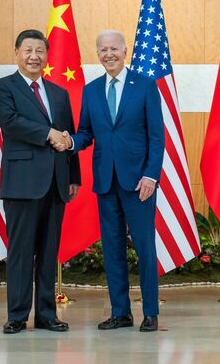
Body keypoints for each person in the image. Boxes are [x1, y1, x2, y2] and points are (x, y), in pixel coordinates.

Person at [53, 30, 164, 332]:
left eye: (114, 48)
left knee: (145, 248)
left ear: (125, 51)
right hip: (105, 182)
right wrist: (70, 142)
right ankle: (121, 313)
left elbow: (156, 136)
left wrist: (151, 175)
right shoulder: (91, 91)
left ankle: (150, 312)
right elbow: (86, 133)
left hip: (139, 183)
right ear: (98, 54)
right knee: (113, 249)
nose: (109, 54)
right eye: (103, 50)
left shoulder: (145, 86)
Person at [0, 29, 81, 334]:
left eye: (39, 51)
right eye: (28, 50)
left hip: (56, 183)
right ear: (17, 53)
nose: (34, 56)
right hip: (22, 183)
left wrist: (73, 176)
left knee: (48, 252)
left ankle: (46, 315)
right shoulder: (3, 88)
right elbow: (11, 122)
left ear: (46, 55)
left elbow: (68, 136)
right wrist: (47, 133)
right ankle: (17, 315)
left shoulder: (59, 93)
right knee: (20, 252)